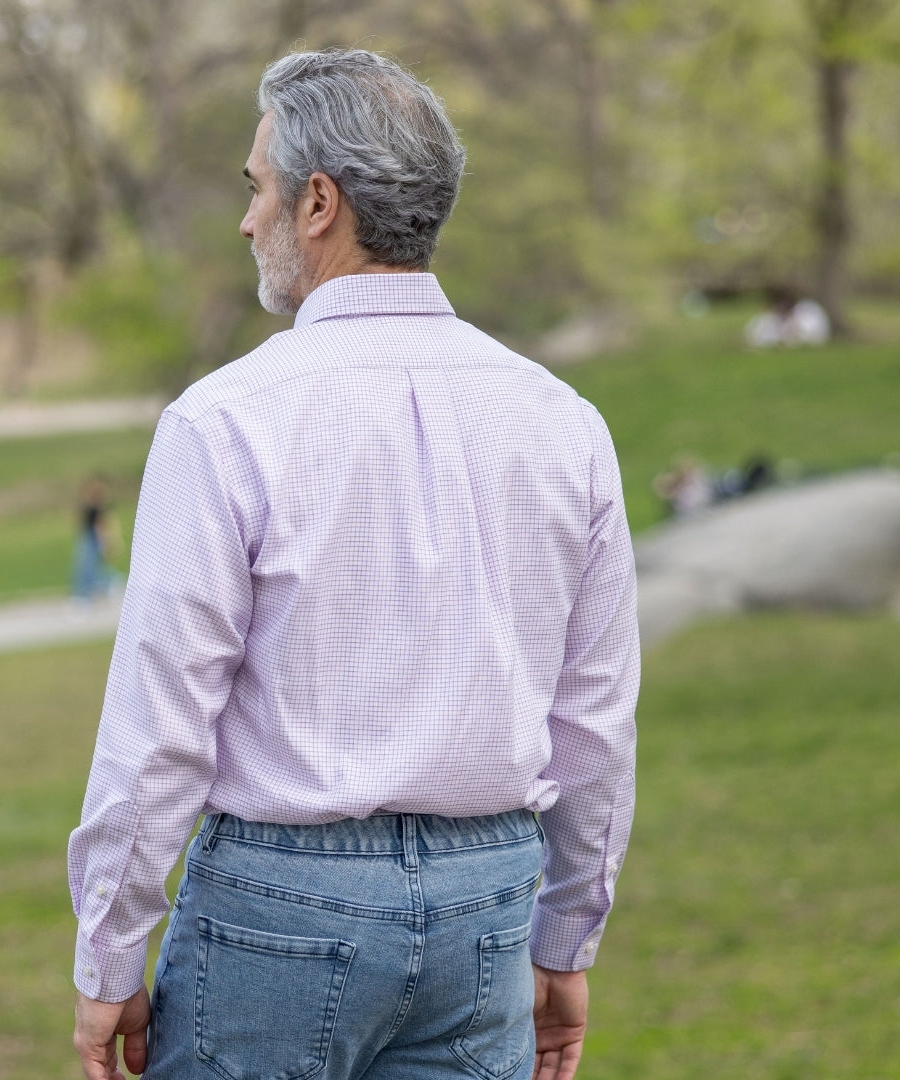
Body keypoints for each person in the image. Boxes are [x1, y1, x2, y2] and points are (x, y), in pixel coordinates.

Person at [69, 49, 638, 1080]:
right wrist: (566, 941)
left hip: (280, 908)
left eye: (258, 188)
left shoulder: (225, 420)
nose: (248, 220)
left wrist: (110, 952)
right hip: (487, 907)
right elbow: (593, 719)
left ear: (319, 202)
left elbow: (161, 719)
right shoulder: (564, 422)